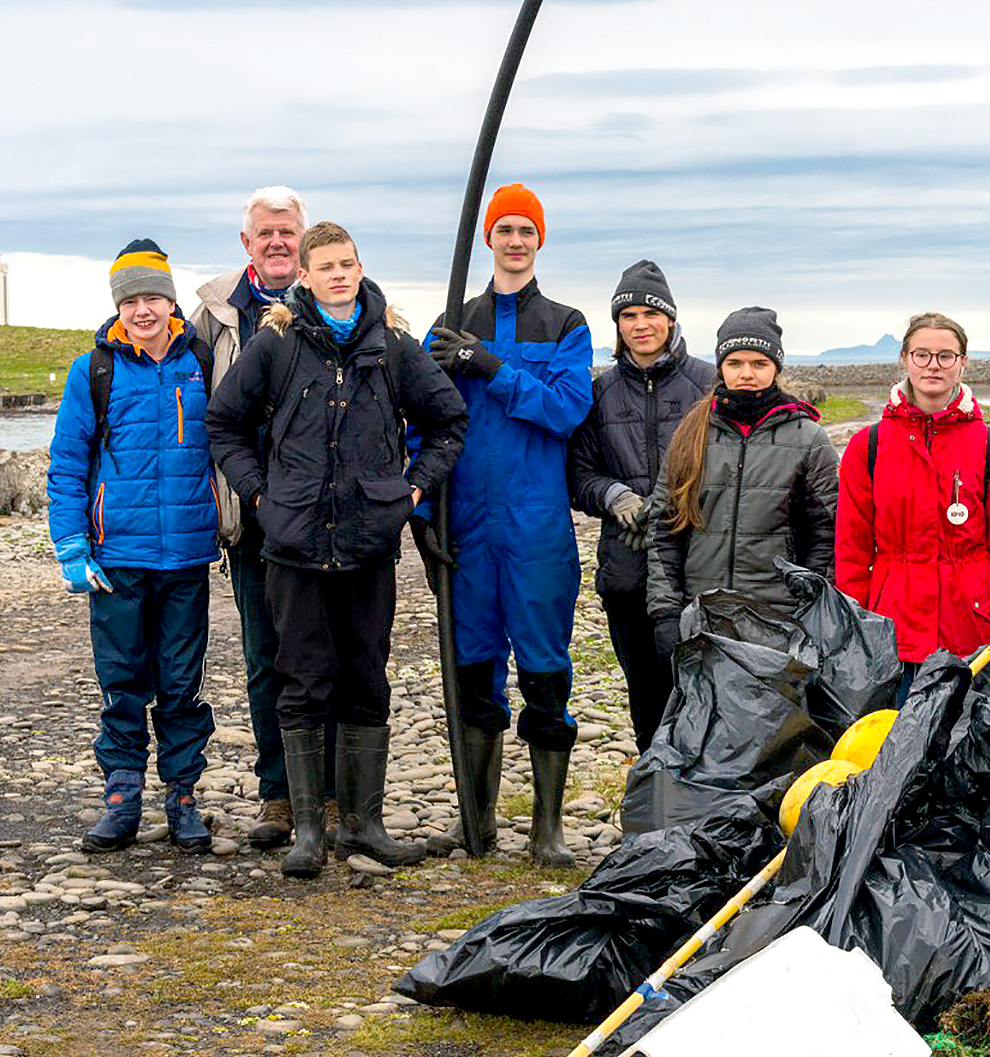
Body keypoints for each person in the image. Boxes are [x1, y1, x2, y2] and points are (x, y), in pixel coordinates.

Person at [204, 222, 468, 877]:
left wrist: (410, 491)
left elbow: (448, 419)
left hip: (367, 544)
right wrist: (259, 494)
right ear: (306, 275)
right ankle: (309, 833)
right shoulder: (278, 345)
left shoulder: (395, 347)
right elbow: (224, 422)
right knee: (300, 680)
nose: (339, 275)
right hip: (293, 544)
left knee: (365, 680)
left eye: (347, 264)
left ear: (359, 267)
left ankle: (364, 825)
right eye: (325, 266)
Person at [424, 183, 594, 867]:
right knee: (472, 674)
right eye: (505, 229)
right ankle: (480, 820)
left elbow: (566, 409)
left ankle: (547, 829)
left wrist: (491, 368)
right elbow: (427, 421)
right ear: (488, 238)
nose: (516, 240)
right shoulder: (450, 320)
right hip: (466, 524)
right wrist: (419, 512)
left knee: (546, 671)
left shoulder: (565, 322)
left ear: (540, 240)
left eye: (527, 230)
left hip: (536, 526)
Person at [47, 239, 220, 855]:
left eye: (153, 297)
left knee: (181, 682)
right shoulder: (92, 369)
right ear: (118, 305)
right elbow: (68, 462)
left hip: (189, 554)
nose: (143, 310)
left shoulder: (201, 361)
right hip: (117, 556)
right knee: (122, 681)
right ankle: (121, 796)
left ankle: (182, 796)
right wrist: (70, 545)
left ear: (172, 300)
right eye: (131, 300)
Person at [186, 186, 308, 851]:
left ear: (305, 236)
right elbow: (202, 417)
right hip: (251, 514)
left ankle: (339, 795)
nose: (277, 242)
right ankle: (279, 793)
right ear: (247, 243)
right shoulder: (215, 319)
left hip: (326, 516)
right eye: (265, 233)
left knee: (336, 656)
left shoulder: (343, 302)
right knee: (266, 656)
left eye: (287, 231)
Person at [565, 260, 715, 754]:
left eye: (650, 312)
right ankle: (655, 798)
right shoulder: (600, 392)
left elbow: (732, 468)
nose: (640, 324)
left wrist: (669, 506)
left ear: (670, 319)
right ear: (618, 326)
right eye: (628, 315)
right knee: (645, 696)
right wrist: (615, 497)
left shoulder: (708, 385)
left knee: (703, 694)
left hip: (698, 568)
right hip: (626, 570)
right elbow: (578, 474)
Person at [834, 312, 990, 693]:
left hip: (972, 633)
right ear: (905, 358)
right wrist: (853, 632)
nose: (933, 365)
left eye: (946, 356)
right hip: (894, 634)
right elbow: (851, 550)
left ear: (963, 363)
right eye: (922, 354)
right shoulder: (867, 447)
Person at [647, 307, 839, 657]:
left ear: (776, 368)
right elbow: (664, 528)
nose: (746, 374)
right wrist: (664, 610)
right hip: (702, 616)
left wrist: (811, 611)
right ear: (721, 367)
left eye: (759, 364)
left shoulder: (809, 438)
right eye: (735, 363)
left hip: (779, 621)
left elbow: (826, 536)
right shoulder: (691, 433)